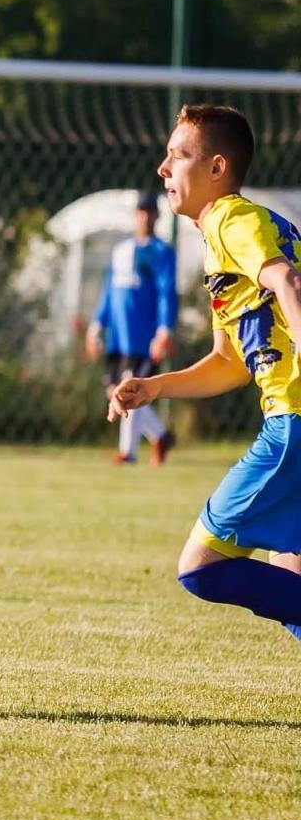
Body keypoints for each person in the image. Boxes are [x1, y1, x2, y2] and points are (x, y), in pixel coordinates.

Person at [109, 103, 301, 642]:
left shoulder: (229, 218)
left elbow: (288, 282)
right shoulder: (226, 237)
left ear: (217, 168)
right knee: (289, 573)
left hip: (294, 422)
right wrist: (154, 387)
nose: (163, 169)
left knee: (202, 567)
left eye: (178, 156)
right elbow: (228, 365)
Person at [85, 191, 178, 465]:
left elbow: (166, 292)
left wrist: (164, 330)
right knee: (115, 391)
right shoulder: (122, 250)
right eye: (140, 211)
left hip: (144, 337)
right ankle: (161, 436)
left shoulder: (161, 252)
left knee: (132, 391)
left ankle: (129, 453)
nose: (145, 216)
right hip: (119, 338)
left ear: (157, 215)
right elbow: (109, 293)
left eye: (149, 211)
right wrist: (96, 326)